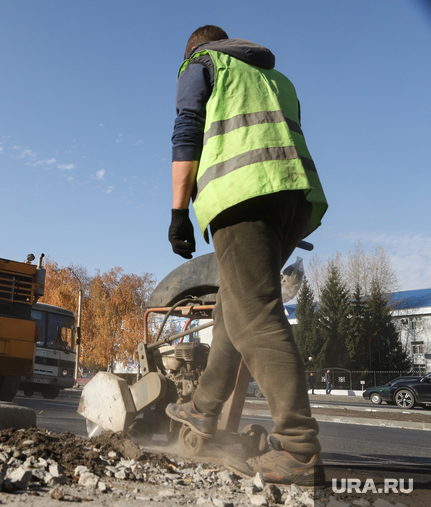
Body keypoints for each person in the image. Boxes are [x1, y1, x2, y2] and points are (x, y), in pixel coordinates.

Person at [164, 25, 328, 486]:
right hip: (294, 199)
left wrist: (178, 211)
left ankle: (299, 450)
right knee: (234, 308)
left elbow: (186, 132)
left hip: (243, 194)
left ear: (196, 47)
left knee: (256, 315)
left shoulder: (201, 63)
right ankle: (202, 409)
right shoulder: (278, 79)